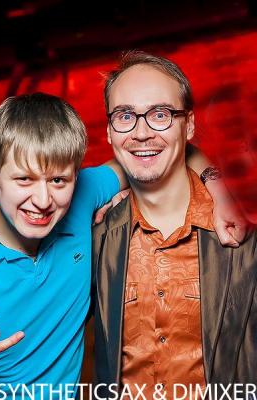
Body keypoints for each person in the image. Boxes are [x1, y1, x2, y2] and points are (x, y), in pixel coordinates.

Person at [0, 92, 245, 400]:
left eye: (58, 181)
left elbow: (166, 150)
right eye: (24, 180)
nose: (43, 201)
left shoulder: (84, 194)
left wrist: (220, 194)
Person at [92, 51, 256, 399]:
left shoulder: (242, 229)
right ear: (109, 131)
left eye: (160, 114)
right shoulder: (95, 237)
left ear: (189, 125)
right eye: (125, 116)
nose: (141, 133)